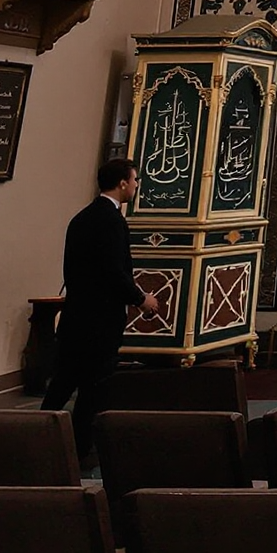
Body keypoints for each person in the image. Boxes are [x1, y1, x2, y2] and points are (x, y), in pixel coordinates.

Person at [42, 159, 159, 459]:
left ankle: (39, 437)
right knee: (93, 389)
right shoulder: (111, 221)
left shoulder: (81, 218)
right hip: (100, 321)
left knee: (62, 383)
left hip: (76, 315)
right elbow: (112, 272)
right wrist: (140, 298)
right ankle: (81, 450)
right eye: (134, 180)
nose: (136, 186)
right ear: (122, 183)